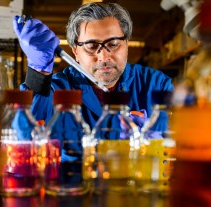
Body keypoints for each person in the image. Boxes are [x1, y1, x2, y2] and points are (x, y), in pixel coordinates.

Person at [12, 2, 174, 132]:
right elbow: (26, 135)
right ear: (75, 51)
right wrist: (38, 73)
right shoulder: (58, 89)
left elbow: (182, 142)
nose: (104, 57)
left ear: (126, 44)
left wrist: (156, 135)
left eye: (113, 44)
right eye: (91, 46)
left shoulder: (155, 85)